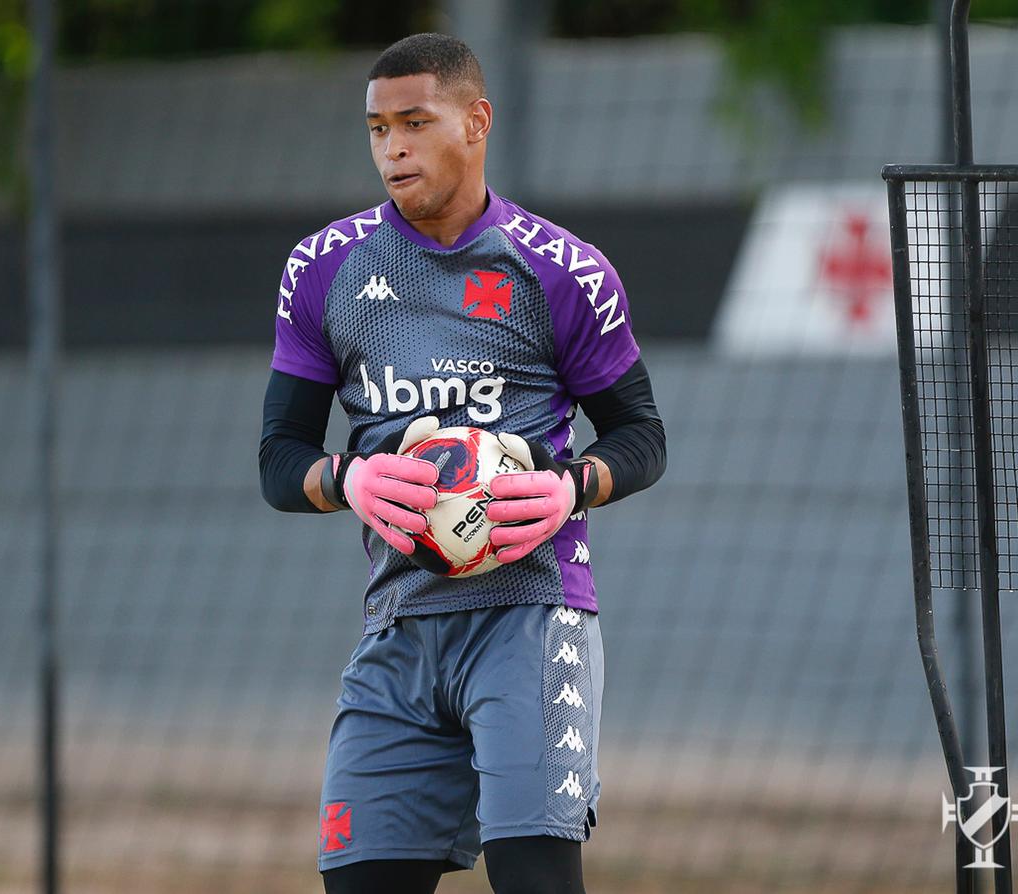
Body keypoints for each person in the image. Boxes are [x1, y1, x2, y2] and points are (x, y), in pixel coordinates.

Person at [258, 32, 666, 894]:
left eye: (415, 121)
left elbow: (641, 436)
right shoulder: (323, 268)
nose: (393, 147)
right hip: (398, 626)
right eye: (377, 128)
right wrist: (350, 480)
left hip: (530, 616)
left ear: (477, 121)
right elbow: (277, 459)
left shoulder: (562, 272)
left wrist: (570, 489)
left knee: (536, 881)